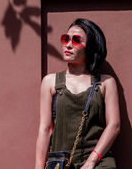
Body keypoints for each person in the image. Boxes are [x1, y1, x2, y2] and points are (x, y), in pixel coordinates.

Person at [35, 18, 121, 169]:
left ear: (90, 48)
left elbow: (114, 125)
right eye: (65, 38)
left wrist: (91, 162)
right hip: (60, 164)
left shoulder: (106, 83)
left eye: (76, 40)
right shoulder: (50, 82)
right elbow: (45, 129)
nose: (68, 45)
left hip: (98, 164)